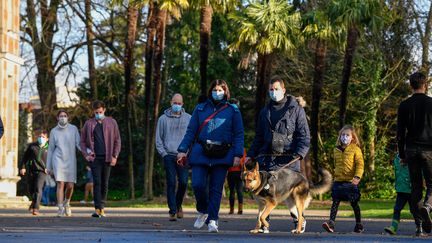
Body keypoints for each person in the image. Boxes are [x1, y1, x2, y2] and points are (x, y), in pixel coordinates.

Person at [177, 79, 244, 233]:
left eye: (220, 90)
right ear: (210, 91)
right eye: (215, 89)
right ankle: (203, 210)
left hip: (223, 153)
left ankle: (213, 219)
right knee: (197, 185)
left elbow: (239, 134)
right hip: (201, 151)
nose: (217, 92)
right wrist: (182, 149)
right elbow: (191, 132)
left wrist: (238, 154)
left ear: (225, 92)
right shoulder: (200, 109)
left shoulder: (233, 110)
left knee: (216, 189)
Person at [246, 77, 310, 232]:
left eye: (276, 89)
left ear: (283, 90)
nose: (273, 92)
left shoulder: (296, 110)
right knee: (264, 194)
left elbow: (304, 136)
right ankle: (262, 225)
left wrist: (300, 153)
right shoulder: (265, 111)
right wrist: (251, 155)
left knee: (290, 197)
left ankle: (299, 222)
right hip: (267, 159)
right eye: (271, 90)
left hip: (289, 159)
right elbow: (259, 137)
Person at [397, 72, 432, 236]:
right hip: (429, 150)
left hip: (411, 150)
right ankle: (428, 206)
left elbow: (400, 133)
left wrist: (402, 154)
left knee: (416, 186)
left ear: (411, 85)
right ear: (425, 85)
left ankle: (420, 222)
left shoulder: (404, 105)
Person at [80, 100, 121, 218]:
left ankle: (102, 206)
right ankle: (98, 208)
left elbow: (117, 140)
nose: (98, 114)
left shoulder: (112, 122)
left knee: (105, 183)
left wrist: (115, 155)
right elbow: (82, 142)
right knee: (96, 182)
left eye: (100, 112)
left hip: (108, 158)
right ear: (93, 112)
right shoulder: (88, 124)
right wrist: (86, 154)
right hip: (95, 158)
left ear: (104, 110)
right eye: (96, 112)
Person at [322, 125, 364, 233]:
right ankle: (331, 223)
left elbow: (360, 165)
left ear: (352, 137)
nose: (345, 137)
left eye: (347, 135)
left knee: (354, 203)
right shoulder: (336, 150)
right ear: (340, 136)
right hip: (338, 181)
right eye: (343, 135)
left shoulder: (356, 149)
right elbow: (335, 164)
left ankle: (358, 224)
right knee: (335, 202)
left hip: (351, 181)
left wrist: (357, 177)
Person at [156, 93, 191, 221]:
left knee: (183, 182)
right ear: (171, 103)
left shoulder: (189, 118)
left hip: (183, 156)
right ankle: (172, 210)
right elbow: (158, 139)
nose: (177, 105)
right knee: (171, 183)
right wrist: (163, 154)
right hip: (168, 155)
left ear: (182, 104)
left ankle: (178, 204)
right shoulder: (162, 119)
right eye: (175, 103)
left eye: (179, 103)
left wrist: (187, 153)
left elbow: (192, 138)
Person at [46, 110, 81, 217]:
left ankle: (67, 202)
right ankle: (60, 208)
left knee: (70, 185)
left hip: (70, 160)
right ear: (57, 118)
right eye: (61, 116)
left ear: (68, 117)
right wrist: (48, 166)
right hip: (58, 160)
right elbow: (51, 149)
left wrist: (87, 153)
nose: (63, 118)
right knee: (60, 183)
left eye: (65, 116)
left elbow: (79, 144)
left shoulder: (73, 129)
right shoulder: (53, 131)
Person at [19, 130, 49, 215]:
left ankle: (36, 208)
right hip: (31, 170)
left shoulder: (50, 148)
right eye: (39, 136)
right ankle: (33, 203)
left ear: (47, 139)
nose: (41, 138)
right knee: (31, 189)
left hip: (42, 171)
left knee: (38, 189)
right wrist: (23, 167)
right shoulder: (32, 146)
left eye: (43, 137)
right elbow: (25, 157)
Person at [384, 153, 412, 235]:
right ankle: (393, 227)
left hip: (411, 190)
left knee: (414, 210)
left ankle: (419, 228)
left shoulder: (412, 156)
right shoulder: (396, 158)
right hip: (400, 189)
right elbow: (397, 173)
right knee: (397, 209)